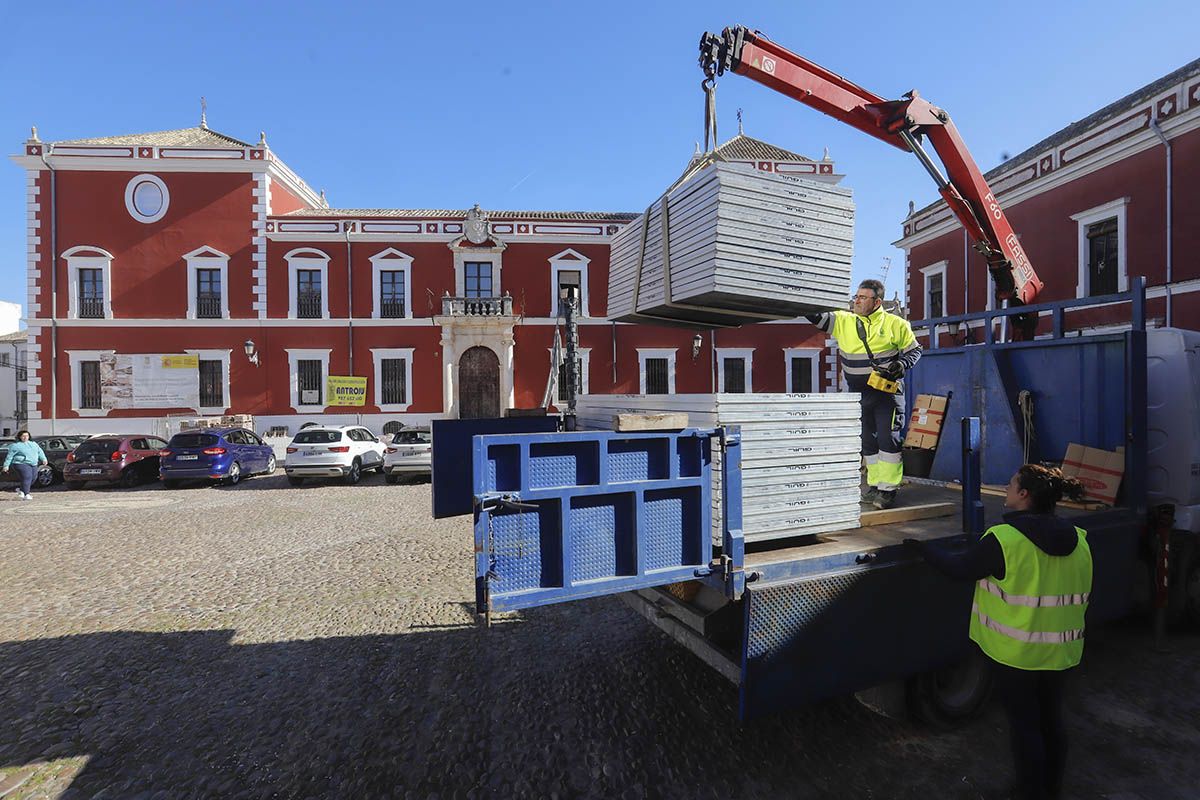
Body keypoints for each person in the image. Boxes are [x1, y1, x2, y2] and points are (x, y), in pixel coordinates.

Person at [908, 465, 1092, 800]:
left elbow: (959, 568)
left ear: (1024, 495)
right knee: (1051, 720)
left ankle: (1028, 792)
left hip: (1017, 656)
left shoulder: (1005, 541)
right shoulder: (1079, 541)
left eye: (1011, 484)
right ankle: (1051, 790)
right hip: (1061, 653)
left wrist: (923, 548)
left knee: (1025, 726)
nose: (1006, 489)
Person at [805, 279, 921, 509]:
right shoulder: (843, 320)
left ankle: (888, 490)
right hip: (858, 393)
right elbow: (816, 316)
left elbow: (915, 350)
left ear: (877, 301)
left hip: (887, 393)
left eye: (862, 297)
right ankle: (875, 486)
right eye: (856, 296)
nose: (856, 300)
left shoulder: (896, 324)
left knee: (888, 440)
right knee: (867, 441)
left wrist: (901, 365)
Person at [2, 429, 50, 501]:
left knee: (34, 477)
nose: (25, 437)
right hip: (21, 463)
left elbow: (40, 452)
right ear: (20, 437)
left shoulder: (33, 444)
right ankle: (27, 494)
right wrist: (6, 466)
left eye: (27, 436)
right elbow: (9, 456)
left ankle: (21, 490)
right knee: (27, 477)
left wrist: (44, 459)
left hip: (33, 463)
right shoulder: (15, 446)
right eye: (23, 436)